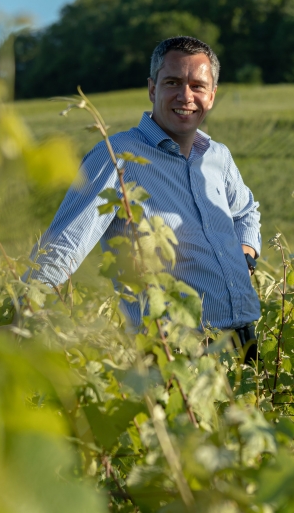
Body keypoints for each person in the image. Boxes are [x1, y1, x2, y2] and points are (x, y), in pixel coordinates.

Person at [30, 36, 262, 361]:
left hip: (243, 341)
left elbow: (246, 212)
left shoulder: (217, 157)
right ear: (152, 89)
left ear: (212, 95)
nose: (186, 96)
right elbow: (64, 245)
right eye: (173, 82)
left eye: (198, 85)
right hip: (173, 353)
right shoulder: (117, 156)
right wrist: (18, 317)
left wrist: (246, 255)